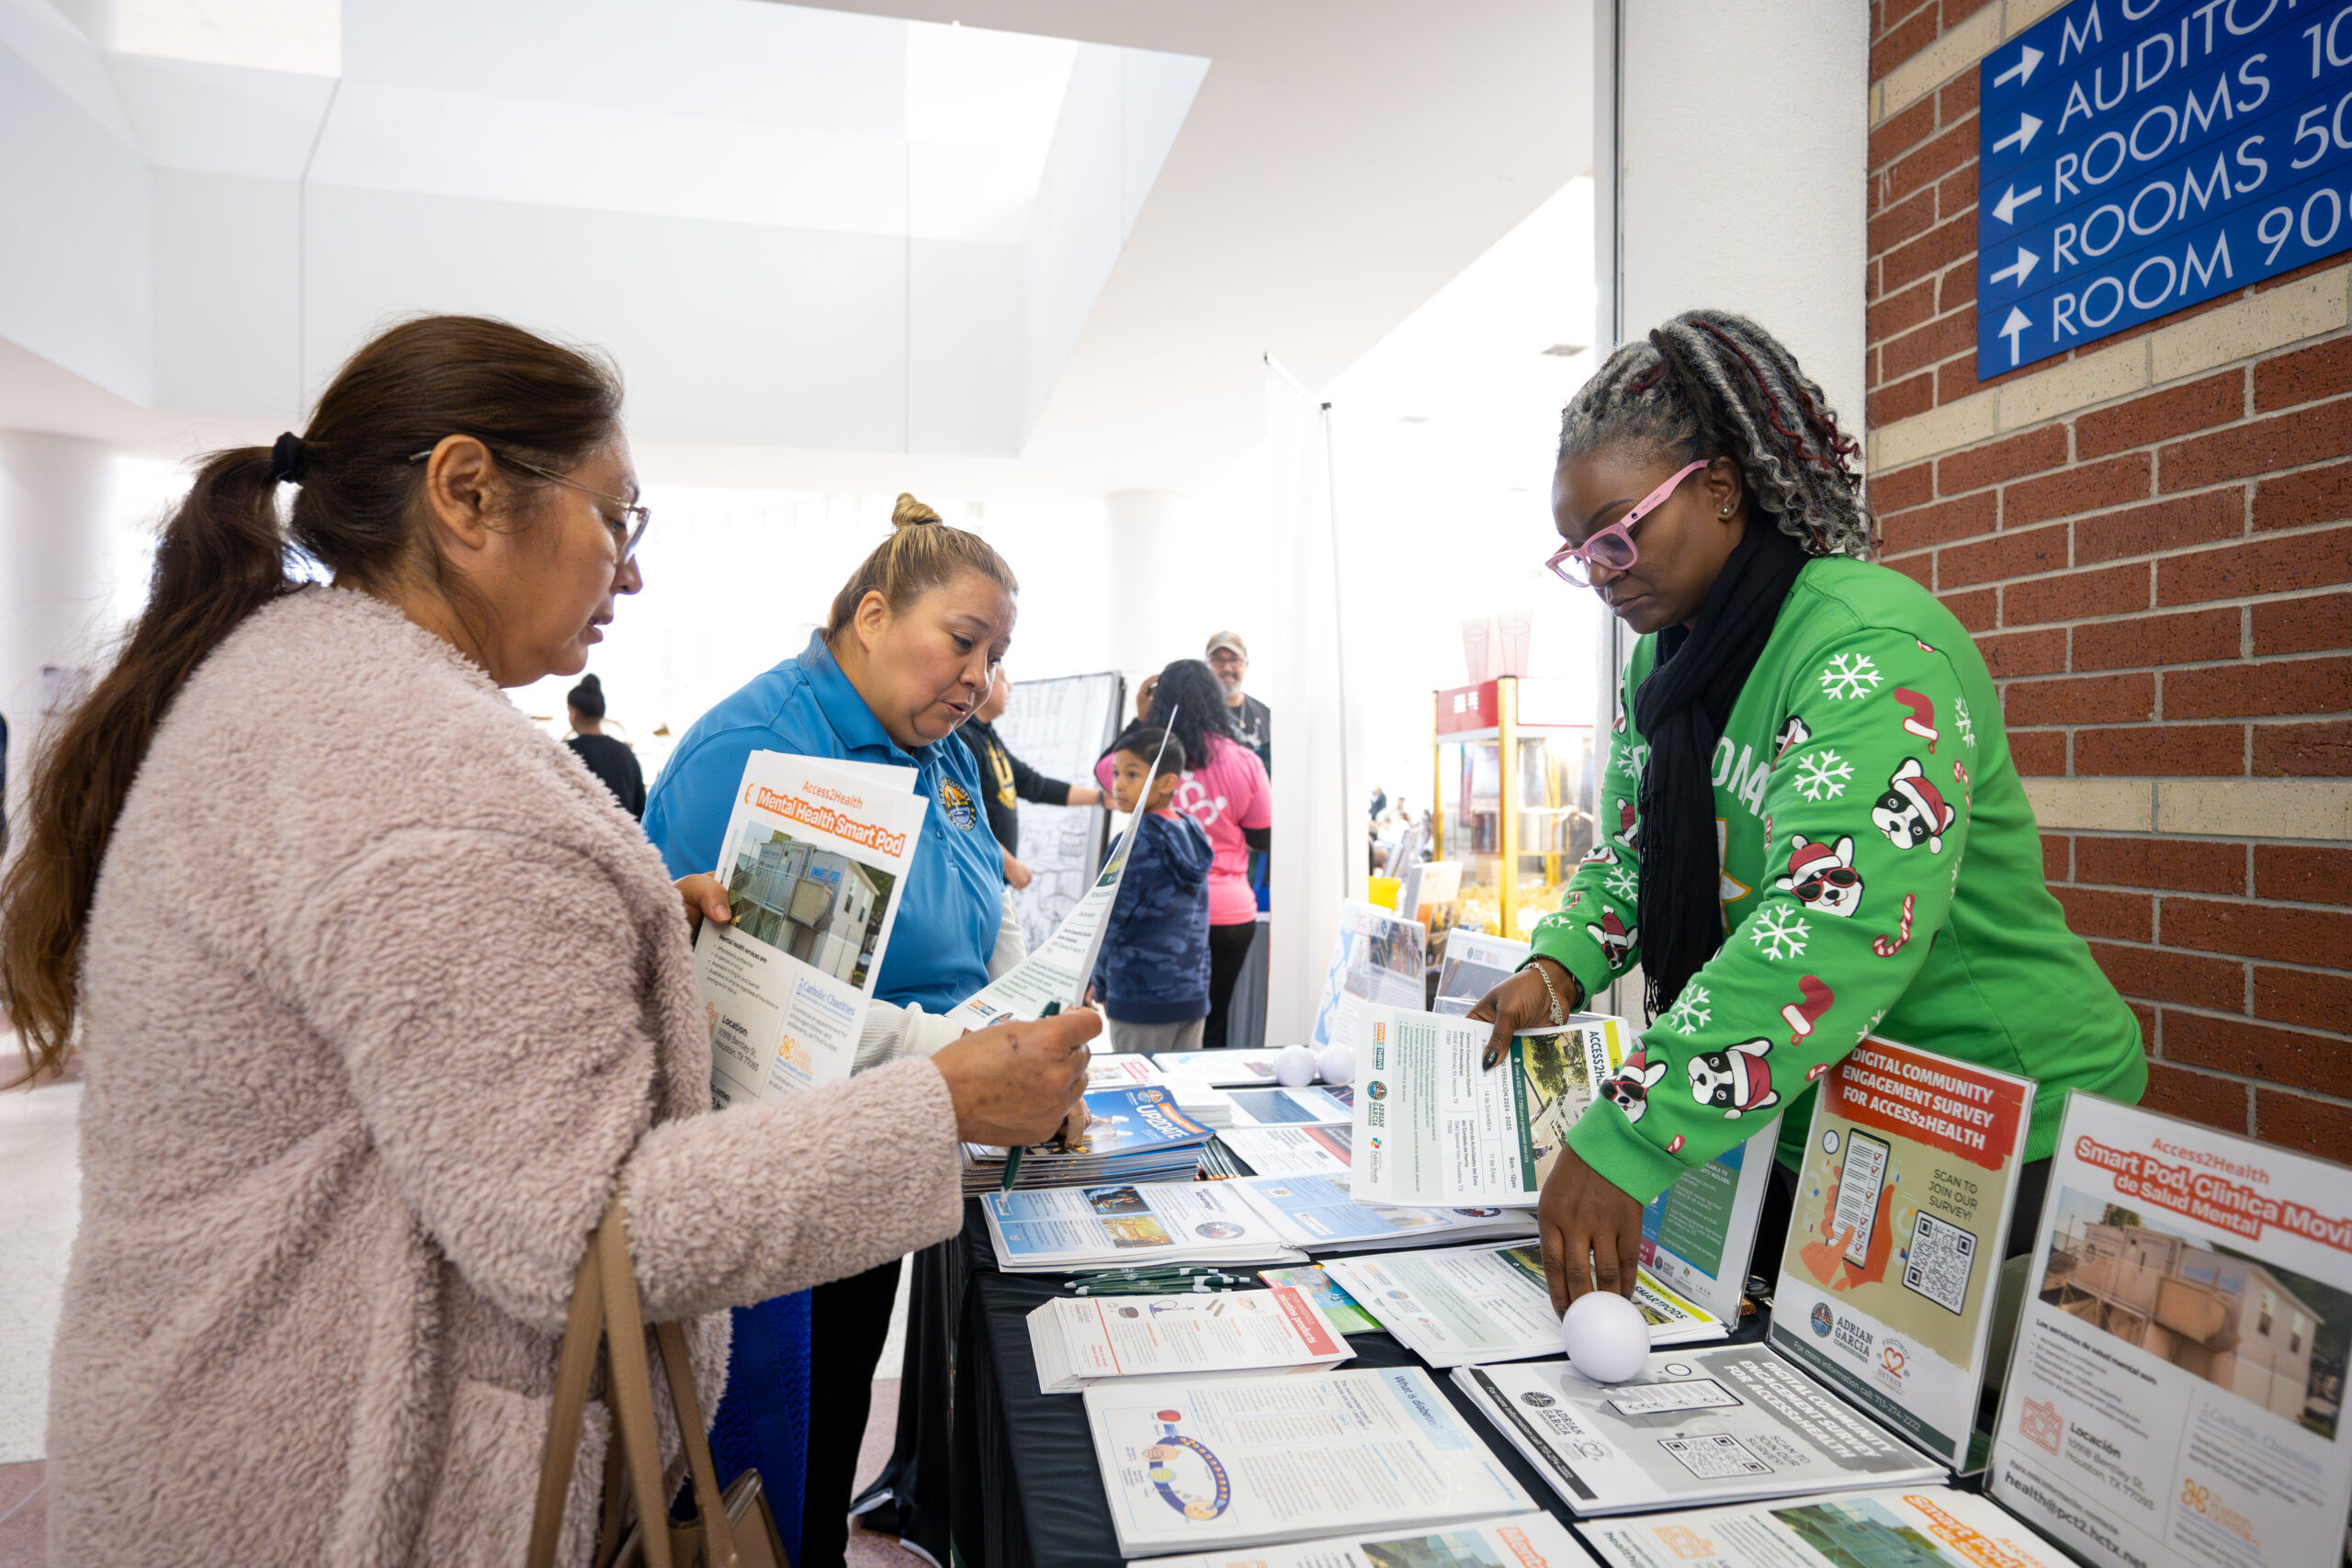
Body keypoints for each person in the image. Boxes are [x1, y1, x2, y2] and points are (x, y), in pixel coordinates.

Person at [0, 316, 1096, 1566]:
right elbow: (581, 1240)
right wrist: (937, 1101)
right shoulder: (432, 776)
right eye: (616, 519)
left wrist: (635, 954)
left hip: (223, 1428)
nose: (629, 574)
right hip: (321, 1487)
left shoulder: (316, 698)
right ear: (469, 492)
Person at [1468, 309, 2144, 1314]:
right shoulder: (1666, 666)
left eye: (1619, 533)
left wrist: (1632, 1133)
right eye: (1581, 553)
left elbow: (1830, 921)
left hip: (1999, 1122)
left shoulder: (1867, 647)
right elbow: (1638, 857)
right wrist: (1557, 967)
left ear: (1722, 489)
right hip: (1818, 1116)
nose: (1604, 572)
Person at [640, 492, 1067, 1568]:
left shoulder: (945, 755)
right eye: (962, 642)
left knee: (828, 1439)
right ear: (871, 617)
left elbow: (980, 915)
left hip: (893, 1140)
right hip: (769, 1170)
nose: (978, 678)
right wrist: (954, 1063)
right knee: (757, 1467)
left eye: (996, 654)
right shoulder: (756, 748)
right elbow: (754, 996)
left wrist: (1029, 1024)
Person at [1094, 659, 1270, 1049]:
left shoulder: (1148, 757)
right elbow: (1264, 835)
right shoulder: (1246, 761)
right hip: (1227, 911)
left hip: (1154, 920)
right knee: (1211, 1028)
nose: (1124, 781)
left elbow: (1105, 773)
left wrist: (1139, 721)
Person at [1089, 727, 1212, 1052]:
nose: (1118, 784)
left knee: (1141, 1091)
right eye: (1116, 773)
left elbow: (1109, 922)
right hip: (1192, 994)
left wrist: (1094, 979)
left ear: (1168, 782)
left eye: (1132, 774)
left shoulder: (1132, 842)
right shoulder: (1191, 829)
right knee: (1183, 1095)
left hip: (1140, 998)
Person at [959, 663, 1104, 890]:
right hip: (973, 876)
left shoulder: (987, 735)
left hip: (990, 877)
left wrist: (1102, 798)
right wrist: (1008, 864)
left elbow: (1033, 785)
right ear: (983, 680)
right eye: (1004, 679)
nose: (1010, 687)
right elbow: (962, 814)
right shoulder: (964, 736)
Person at [563, 671, 645, 817]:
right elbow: (641, 807)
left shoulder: (565, 751)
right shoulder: (625, 752)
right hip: (624, 836)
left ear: (573, 712)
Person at [1205, 630, 1270, 772]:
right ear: (1206, 665)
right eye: (1218, 660)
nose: (1227, 667)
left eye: (1234, 660)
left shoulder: (1266, 715)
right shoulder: (1195, 714)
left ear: (1246, 664)